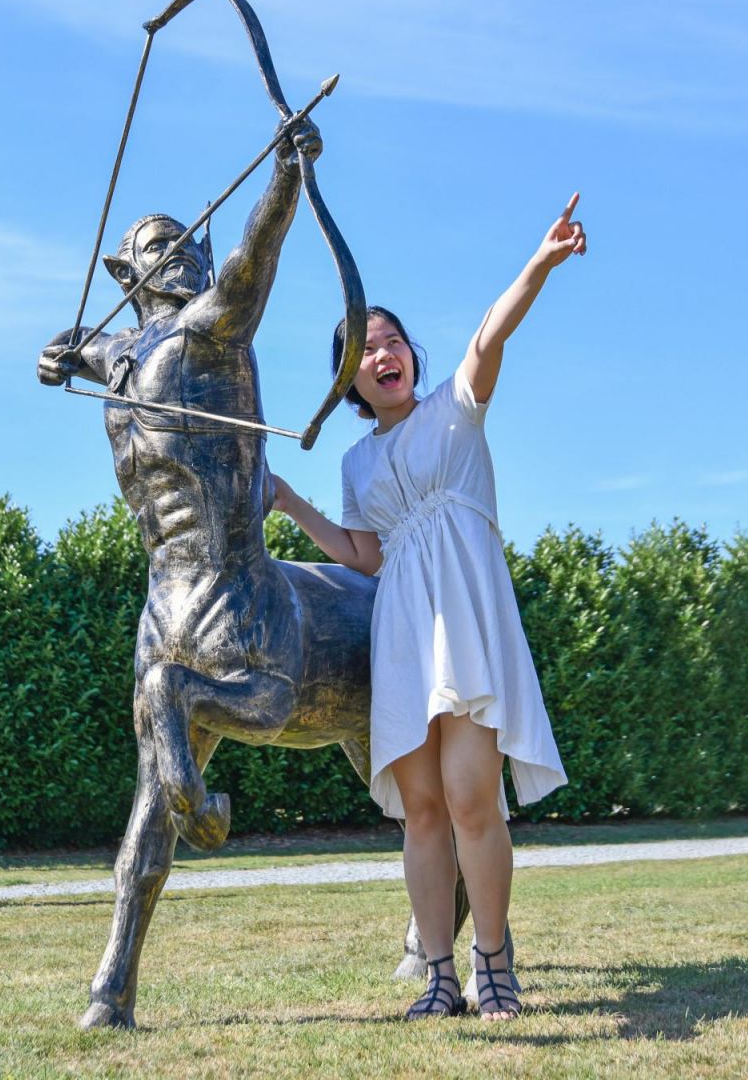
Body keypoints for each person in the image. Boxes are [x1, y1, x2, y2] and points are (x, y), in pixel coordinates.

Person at [270, 194, 587, 1020]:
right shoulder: (355, 465)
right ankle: (439, 976)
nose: (383, 353)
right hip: (404, 635)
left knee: (474, 800)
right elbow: (364, 555)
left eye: (391, 339)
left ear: (411, 353)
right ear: (349, 380)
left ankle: (495, 965)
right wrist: (288, 501)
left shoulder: (456, 408)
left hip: (469, 631)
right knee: (421, 812)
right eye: (364, 349)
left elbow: (491, 334)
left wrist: (539, 263)